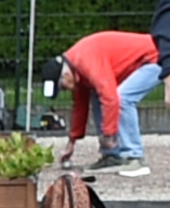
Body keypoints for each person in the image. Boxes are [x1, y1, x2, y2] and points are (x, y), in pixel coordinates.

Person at [57, 28, 158, 177]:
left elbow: (111, 99)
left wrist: (108, 134)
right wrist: (72, 142)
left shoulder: (86, 61)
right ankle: (113, 156)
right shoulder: (75, 69)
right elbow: (80, 107)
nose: (64, 89)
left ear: (65, 75)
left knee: (122, 98)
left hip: (156, 57)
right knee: (99, 95)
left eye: (62, 86)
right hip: (143, 60)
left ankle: (135, 157)